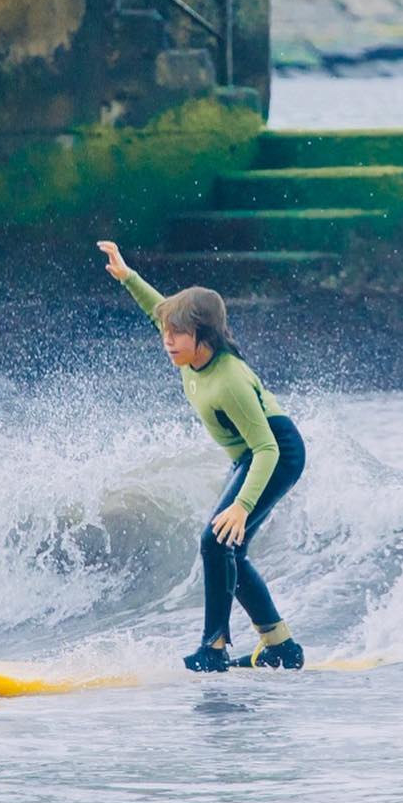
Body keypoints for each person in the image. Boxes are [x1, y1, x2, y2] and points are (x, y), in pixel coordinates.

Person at [97, 240, 306, 673]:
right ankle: (280, 646)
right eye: (166, 331)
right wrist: (128, 276)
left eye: (177, 334)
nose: (167, 340)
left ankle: (214, 648)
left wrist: (242, 506)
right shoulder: (188, 353)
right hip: (251, 455)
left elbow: (267, 448)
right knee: (230, 550)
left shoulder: (229, 380)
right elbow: (158, 310)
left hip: (277, 453)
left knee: (216, 541)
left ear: (204, 337)